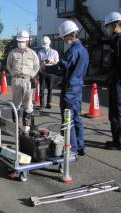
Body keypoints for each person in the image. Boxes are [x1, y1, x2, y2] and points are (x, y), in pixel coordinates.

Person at [45, 20, 89, 156]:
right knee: (76, 118)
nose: (64, 40)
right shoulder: (83, 50)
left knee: (67, 120)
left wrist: (47, 68)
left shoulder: (74, 50)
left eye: (64, 37)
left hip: (70, 89)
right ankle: (80, 146)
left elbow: (62, 67)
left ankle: (71, 149)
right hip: (78, 88)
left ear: (70, 35)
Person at [7, 31, 40, 134]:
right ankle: (16, 126)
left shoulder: (32, 53)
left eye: (22, 41)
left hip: (28, 80)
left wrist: (32, 75)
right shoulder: (13, 52)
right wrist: (13, 74)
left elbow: (36, 66)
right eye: (19, 41)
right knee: (15, 104)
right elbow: (9, 65)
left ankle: (26, 126)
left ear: (27, 41)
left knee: (28, 104)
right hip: (16, 80)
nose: (20, 43)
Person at [104, 12, 121, 150]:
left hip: (118, 81)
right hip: (115, 79)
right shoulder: (116, 39)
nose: (108, 29)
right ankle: (117, 140)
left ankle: (118, 142)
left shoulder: (119, 40)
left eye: (109, 26)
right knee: (116, 111)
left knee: (116, 111)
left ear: (115, 24)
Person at [38, 36, 59, 109]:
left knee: (50, 88)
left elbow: (57, 62)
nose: (45, 46)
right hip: (43, 71)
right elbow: (38, 62)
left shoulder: (54, 52)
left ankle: (49, 103)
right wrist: (42, 62)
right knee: (41, 89)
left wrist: (50, 61)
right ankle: (42, 104)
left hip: (51, 71)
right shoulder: (40, 52)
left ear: (49, 43)